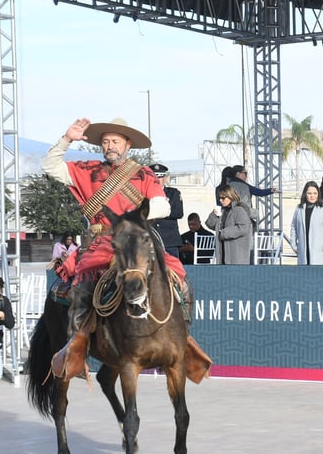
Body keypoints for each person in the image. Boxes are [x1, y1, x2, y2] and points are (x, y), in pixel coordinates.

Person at [41, 117, 205, 379]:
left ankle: (182, 339)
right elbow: (50, 166)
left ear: (128, 144)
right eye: (106, 141)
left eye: (115, 141)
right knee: (81, 285)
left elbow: (163, 205)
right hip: (102, 242)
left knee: (180, 279)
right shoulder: (86, 169)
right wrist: (67, 138)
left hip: (137, 239)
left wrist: (135, 219)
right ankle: (78, 345)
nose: (110, 146)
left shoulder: (143, 174)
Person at [289, 181, 323, 265]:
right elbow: (294, 227)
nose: (312, 196)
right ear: (305, 194)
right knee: (303, 276)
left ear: (318, 194)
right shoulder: (299, 209)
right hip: (303, 251)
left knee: (318, 276)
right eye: (309, 193)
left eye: (315, 193)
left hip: (319, 252)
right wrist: (293, 244)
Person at [205, 185, 252, 265]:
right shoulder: (222, 211)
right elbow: (210, 225)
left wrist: (224, 233)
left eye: (223, 198)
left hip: (236, 253)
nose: (220, 200)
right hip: (223, 250)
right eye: (219, 198)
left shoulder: (239, 210)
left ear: (230, 197)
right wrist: (214, 215)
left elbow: (243, 228)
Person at [148, 163, 184, 259]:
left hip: (169, 240)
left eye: (159, 177)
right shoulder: (144, 194)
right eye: (153, 176)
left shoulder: (173, 193)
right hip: (150, 239)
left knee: (174, 269)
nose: (156, 179)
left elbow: (178, 212)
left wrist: (157, 212)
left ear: (165, 178)